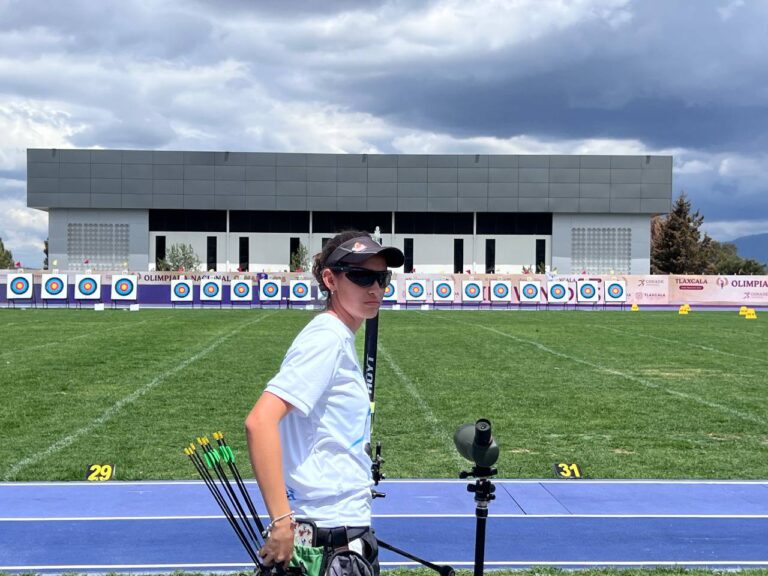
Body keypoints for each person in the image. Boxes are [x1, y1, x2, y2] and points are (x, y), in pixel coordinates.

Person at [245, 230, 404, 575]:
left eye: (382, 278)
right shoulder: (326, 338)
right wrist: (281, 522)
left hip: (339, 532)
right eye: (361, 277)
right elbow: (260, 421)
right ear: (330, 279)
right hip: (328, 538)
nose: (375, 288)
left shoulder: (336, 336)